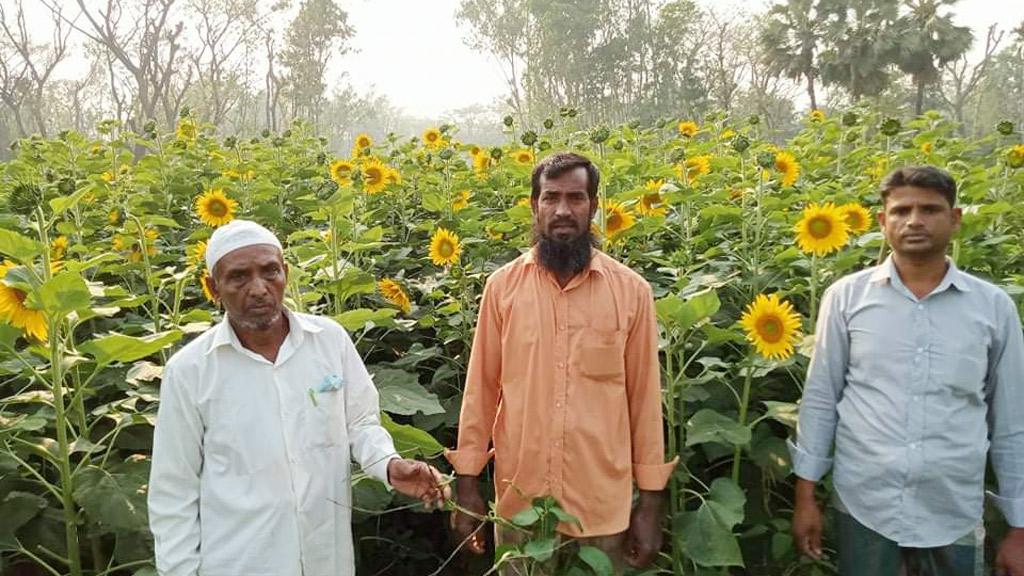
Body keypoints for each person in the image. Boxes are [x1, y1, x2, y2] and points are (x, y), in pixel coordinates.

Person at [148, 220, 448, 576]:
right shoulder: (191, 370)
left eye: (270, 271)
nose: (259, 288)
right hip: (240, 562)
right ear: (213, 288)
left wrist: (388, 464)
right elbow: (174, 488)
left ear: (285, 273)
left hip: (326, 559)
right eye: (239, 277)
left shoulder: (329, 340)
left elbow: (360, 423)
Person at [447, 152, 677, 574]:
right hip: (521, 505)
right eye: (551, 198)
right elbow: (481, 390)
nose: (563, 210)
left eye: (576, 198)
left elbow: (645, 403)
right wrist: (468, 486)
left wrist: (650, 505)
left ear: (594, 205)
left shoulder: (631, 293)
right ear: (534, 205)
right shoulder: (502, 289)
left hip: (602, 509)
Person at [789, 166, 1024, 576]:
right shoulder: (846, 298)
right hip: (865, 502)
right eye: (901, 211)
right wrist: (805, 496)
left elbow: (1010, 421)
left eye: (930, 209)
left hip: (952, 507)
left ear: (955, 219)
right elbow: (822, 398)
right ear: (883, 221)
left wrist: (1020, 527)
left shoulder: (992, 308)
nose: (914, 221)